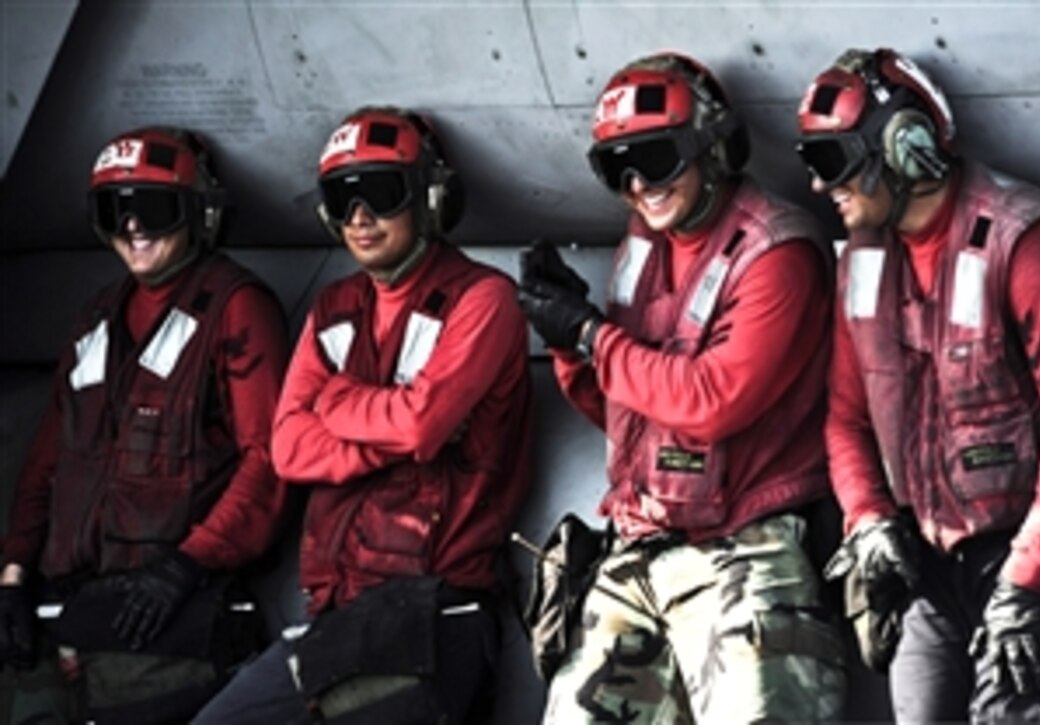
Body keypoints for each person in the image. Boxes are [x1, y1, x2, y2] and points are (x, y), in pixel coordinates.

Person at [518, 52, 846, 723]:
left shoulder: (778, 251)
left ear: (713, 147)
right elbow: (629, 412)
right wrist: (567, 342)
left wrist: (592, 337)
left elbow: (711, 401)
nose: (639, 184)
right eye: (618, 168)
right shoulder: (644, 243)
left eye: (658, 157)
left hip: (747, 553)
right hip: (638, 552)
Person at [193, 106, 532, 725]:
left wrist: (338, 402)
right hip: (339, 610)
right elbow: (291, 447)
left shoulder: (484, 298)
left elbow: (421, 424)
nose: (359, 217)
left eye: (380, 193)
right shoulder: (335, 305)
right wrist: (401, 427)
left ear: (428, 197)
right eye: (341, 199)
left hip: (436, 610)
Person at [797, 47, 1040, 722]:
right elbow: (845, 418)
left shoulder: (1027, 242)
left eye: (832, 162)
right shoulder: (862, 264)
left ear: (907, 150)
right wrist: (868, 519)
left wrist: (1031, 578)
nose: (818, 186)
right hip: (929, 565)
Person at [0, 127, 290, 723]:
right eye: (115, 210)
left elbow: (267, 459)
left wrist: (187, 565)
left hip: (176, 623)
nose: (133, 228)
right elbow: (48, 461)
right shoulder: (98, 318)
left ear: (197, 213)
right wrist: (13, 572)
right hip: (77, 619)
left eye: (152, 209)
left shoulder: (235, 307)